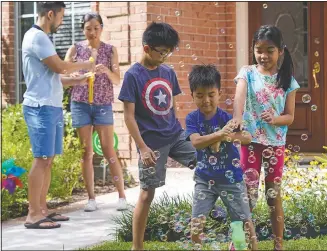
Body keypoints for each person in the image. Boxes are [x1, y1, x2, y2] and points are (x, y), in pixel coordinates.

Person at [118, 22, 197, 250]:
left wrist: (183, 131)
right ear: (146, 48)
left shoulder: (168, 72)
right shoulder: (133, 75)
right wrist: (142, 147)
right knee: (146, 193)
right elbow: (129, 116)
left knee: (207, 164)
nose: (165, 56)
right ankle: (137, 246)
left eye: (168, 52)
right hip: (151, 144)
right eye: (161, 52)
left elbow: (172, 106)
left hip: (175, 135)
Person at [22, 2, 95, 229]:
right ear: (50, 14)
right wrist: (87, 63)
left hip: (51, 106)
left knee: (49, 160)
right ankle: (33, 214)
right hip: (40, 107)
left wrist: (77, 80)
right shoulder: (37, 37)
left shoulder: (42, 38)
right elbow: (61, 67)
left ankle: (42, 209)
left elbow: (54, 77)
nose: (62, 22)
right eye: (62, 17)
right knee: (42, 158)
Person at [233, 25, 300, 250]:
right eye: (258, 49)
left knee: (274, 197)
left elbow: (290, 117)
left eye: (269, 50)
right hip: (250, 142)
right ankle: (238, 244)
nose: (263, 55)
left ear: (280, 51)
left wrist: (274, 119)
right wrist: (237, 119)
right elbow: (239, 96)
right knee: (246, 197)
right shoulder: (247, 73)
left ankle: (278, 245)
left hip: (275, 145)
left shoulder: (288, 80)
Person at [185, 65, 258, 251]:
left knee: (243, 220)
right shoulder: (192, 119)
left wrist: (227, 135)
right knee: (196, 222)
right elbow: (196, 142)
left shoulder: (227, 118)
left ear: (219, 93)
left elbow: (247, 138)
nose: (206, 100)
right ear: (192, 95)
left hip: (231, 178)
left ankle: (252, 248)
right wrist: (219, 134)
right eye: (200, 95)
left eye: (211, 94)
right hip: (204, 179)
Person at [64, 12, 127, 212]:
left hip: (103, 105)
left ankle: (122, 196)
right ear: (83, 29)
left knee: (109, 150)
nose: (92, 32)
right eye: (88, 28)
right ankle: (91, 199)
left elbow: (117, 79)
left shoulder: (110, 50)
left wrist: (106, 71)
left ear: (101, 28)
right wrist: (73, 74)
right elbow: (64, 73)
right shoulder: (76, 48)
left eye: (96, 28)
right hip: (80, 104)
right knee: (86, 153)